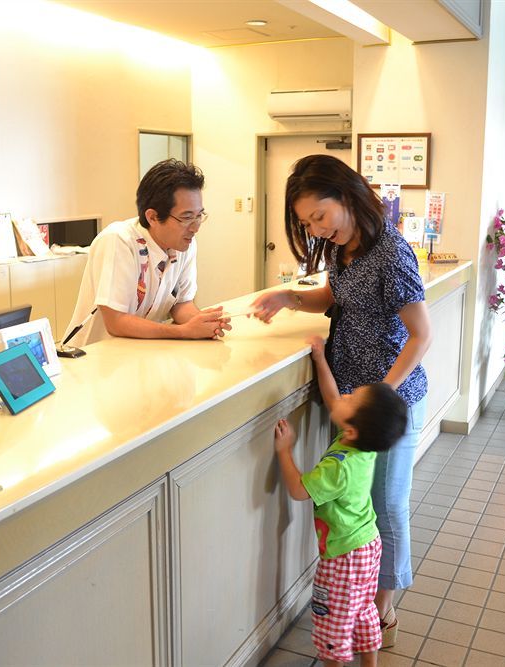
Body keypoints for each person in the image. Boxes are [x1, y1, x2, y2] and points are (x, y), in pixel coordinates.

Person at [252, 154, 431, 647]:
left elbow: (421, 336)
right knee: (356, 505)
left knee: (385, 506)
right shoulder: (343, 249)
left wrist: (382, 391)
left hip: (386, 405)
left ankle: (384, 611)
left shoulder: (391, 253)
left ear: (348, 197)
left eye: (320, 216)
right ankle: (361, 603)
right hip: (351, 399)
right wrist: (289, 297)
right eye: (307, 222)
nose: (315, 229)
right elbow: (335, 295)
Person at [274, 336, 408, 667]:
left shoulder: (338, 468)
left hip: (343, 556)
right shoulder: (362, 444)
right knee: (362, 610)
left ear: (349, 430)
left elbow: (298, 490)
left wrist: (285, 451)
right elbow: (334, 399)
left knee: (332, 620)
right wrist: (320, 359)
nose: (344, 396)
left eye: (353, 398)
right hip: (367, 546)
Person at [64, 159, 231, 347]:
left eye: (199, 216)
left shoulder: (185, 243)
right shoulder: (119, 241)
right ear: (152, 217)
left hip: (141, 352)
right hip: (95, 356)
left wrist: (203, 323)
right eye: (186, 217)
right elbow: (116, 321)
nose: (195, 227)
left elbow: (181, 304)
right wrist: (183, 331)